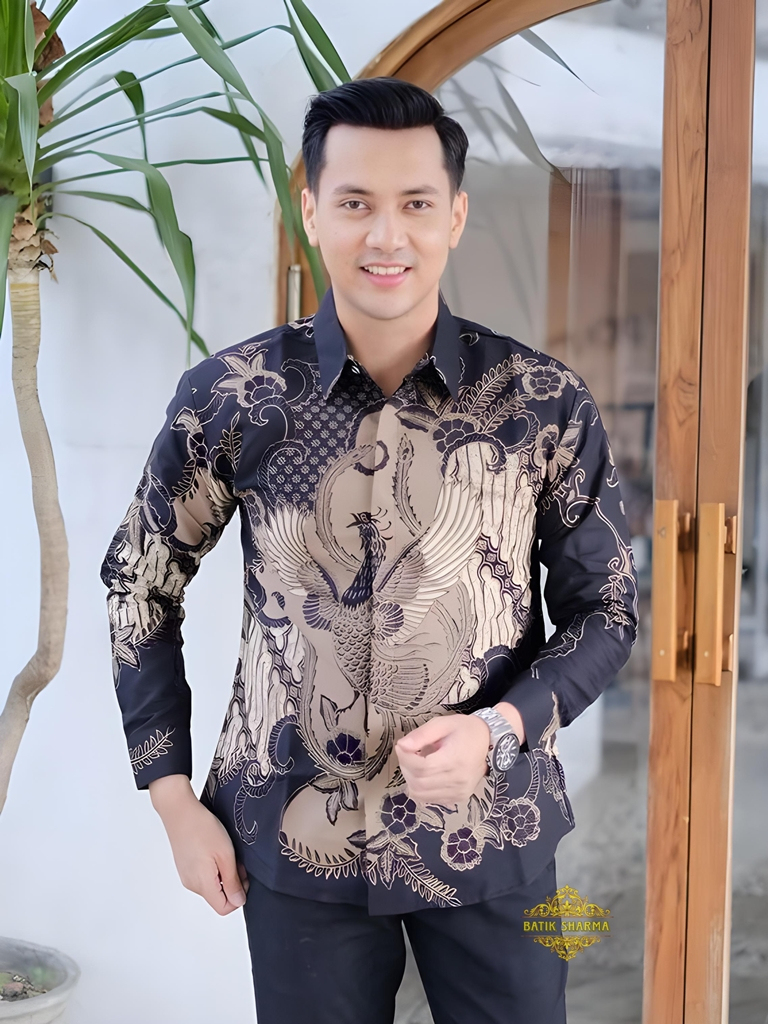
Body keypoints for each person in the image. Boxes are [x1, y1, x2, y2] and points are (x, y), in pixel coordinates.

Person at [100, 77, 638, 1024]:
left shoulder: (542, 402)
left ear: (455, 216)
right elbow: (139, 584)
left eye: (416, 204)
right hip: (293, 839)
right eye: (355, 203)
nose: (387, 235)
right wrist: (172, 798)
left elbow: (608, 608)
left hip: (497, 833)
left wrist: (501, 728)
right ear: (312, 211)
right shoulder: (233, 397)